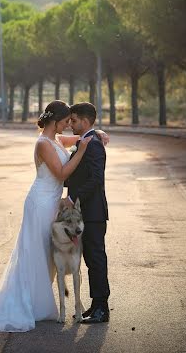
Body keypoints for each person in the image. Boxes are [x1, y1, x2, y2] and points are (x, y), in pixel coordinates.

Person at [0, 100, 93, 332]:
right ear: (55, 121)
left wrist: (97, 134)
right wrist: (81, 152)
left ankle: (37, 303)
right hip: (40, 203)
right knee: (35, 252)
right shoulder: (43, 143)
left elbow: (79, 138)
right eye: (64, 122)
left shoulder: (56, 139)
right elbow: (62, 172)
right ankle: (27, 304)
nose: (67, 126)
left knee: (46, 254)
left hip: (52, 204)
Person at [64, 101, 110, 324]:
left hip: (93, 212)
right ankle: (96, 305)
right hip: (85, 213)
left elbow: (96, 179)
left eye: (73, 120)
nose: (70, 124)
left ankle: (102, 307)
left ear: (84, 121)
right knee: (92, 260)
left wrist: (73, 197)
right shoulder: (86, 141)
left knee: (96, 259)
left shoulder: (93, 145)